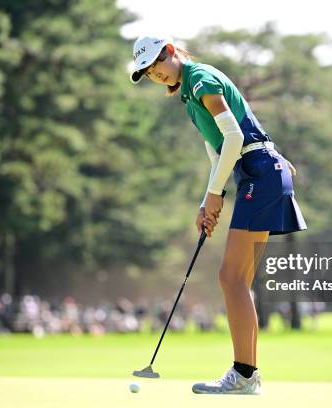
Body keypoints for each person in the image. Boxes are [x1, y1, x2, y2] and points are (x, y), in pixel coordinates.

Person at [129, 35, 307, 395]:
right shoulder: (189, 97)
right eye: (148, 72)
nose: (155, 73)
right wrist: (208, 200)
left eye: (156, 63)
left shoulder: (200, 79)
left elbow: (233, 135)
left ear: (171, 51)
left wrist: (215, 194)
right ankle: (247, 375)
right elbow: (216, 153)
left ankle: (244, 375)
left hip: (259, 168)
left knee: (231, 277)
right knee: (235, 278)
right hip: (255, 173)